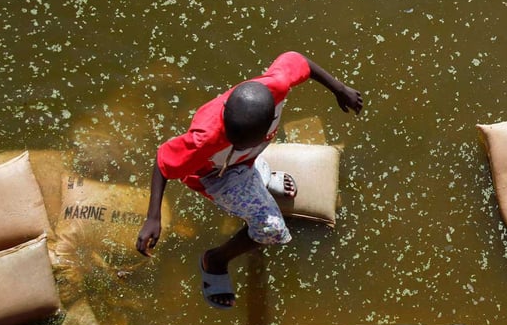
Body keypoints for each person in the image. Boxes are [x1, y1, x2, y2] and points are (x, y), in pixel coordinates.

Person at [135, 52, 363, 309]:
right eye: (233, 140)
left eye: (241, 142)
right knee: (272, 229)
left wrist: (340, 89)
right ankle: (215, 260)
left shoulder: (276, 86)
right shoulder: (204, 139)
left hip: (246, 159)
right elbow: (164, 161)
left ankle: (260, 179)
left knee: (251, 162)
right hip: (217, 174)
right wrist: (153, 216)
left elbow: (298, 60)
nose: (235, 142)